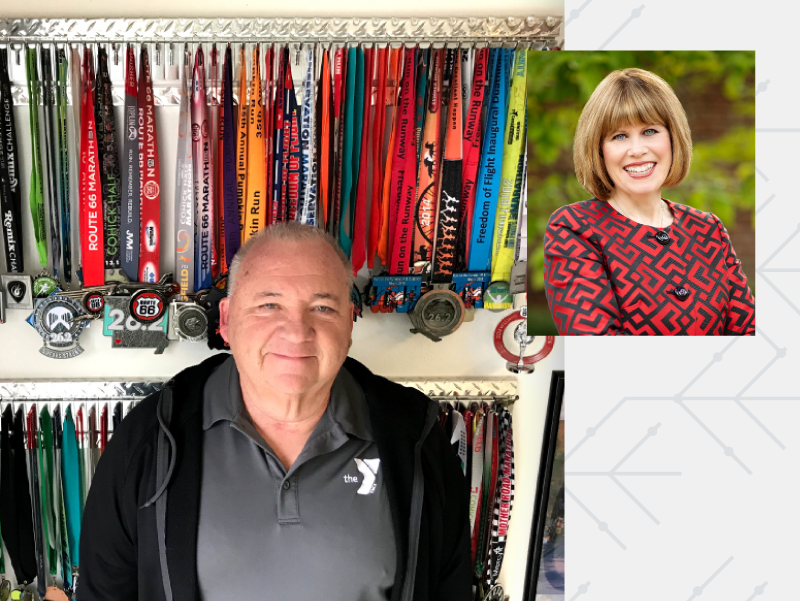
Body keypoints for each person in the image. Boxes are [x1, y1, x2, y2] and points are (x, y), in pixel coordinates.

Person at [78, 223, 471, 601]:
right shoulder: (149, 438)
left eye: (322, 307)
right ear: (227, 320)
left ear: (349, 324)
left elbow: (449, 589)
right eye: (269, 305)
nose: (297, 331)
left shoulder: (415, 439)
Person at [543, 68, 755, 336]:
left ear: (673, 139)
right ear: (599, 150)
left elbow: (749, 334)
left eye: (650, 131)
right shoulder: (574, 229)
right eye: (619, 136)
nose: (637, 150)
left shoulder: (708, 229)